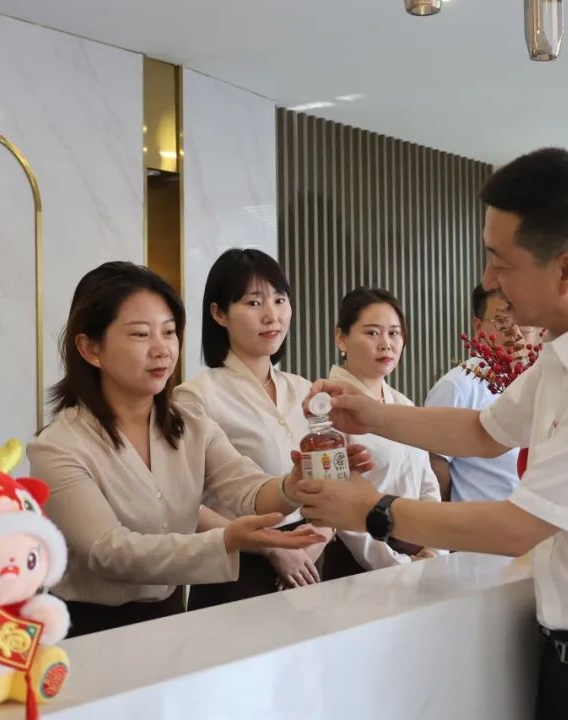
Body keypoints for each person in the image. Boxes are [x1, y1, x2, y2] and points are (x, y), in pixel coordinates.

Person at [294, 148, 568, 719]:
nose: (489, 280)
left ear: (566, 271)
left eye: (501, 262)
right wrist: (372, 414)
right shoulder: (567, 352)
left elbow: (519, 526)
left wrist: (373, 510)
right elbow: (485, 430)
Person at [26, 262, 368, 636]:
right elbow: (109, 553)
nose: (162, 349)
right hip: (91, 628)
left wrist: (295, 484)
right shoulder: (58, 446)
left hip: (173, 616)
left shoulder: (189, 424)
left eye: (169, 332)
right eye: (141, 334)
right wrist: (227, 539)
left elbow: (247, 488)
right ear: (90, 348)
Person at [175, 249, 333, 608]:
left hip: (310, 561)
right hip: (238, 569)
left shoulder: (304, 390)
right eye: (253, 302)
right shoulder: (197, 396)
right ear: (219, 314)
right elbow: (184, 505)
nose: (271, 315)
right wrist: (271, 546)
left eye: (279, 300)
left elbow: (330, 479)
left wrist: (322, 533)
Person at [318, 287, 443, 580]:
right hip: (358, 563)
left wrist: (434, 549)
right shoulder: (326, 407)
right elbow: (338, 505)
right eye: (372, 333)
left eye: (394, 333)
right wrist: (397, 564)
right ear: (341, 338)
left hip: (419, 555)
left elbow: (427, 483)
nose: (386, 344)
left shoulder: (404, 404)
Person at [424, 283, 522, 501]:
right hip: (481, 518)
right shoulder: (457, 386)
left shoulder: (540, 379)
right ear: (478, 327)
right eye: (502, 320)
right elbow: (434, 466)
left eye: (522, 319)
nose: (515, 331)